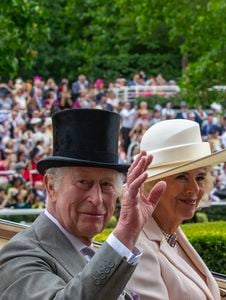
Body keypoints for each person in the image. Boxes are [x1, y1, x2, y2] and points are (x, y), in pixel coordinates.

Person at [0, 108, 166, 300]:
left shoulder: (89, 251)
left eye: (106, 185)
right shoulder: (21, 255)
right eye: (83, 183)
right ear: (50, 186)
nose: (96, 199)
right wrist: (126, 233)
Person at [126, 119, 226, 300]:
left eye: (200, 177)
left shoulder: (171, 233)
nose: (194, 189)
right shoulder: (138, 249)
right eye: (182, 177)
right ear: (151, 185)